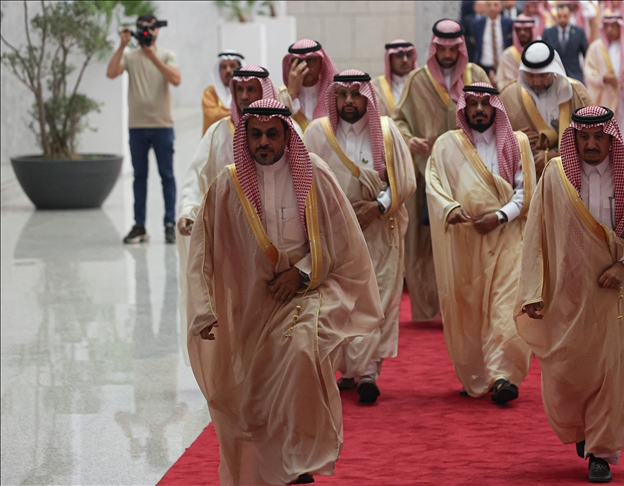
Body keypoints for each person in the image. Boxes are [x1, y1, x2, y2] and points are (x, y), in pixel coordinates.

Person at [186, 99, 383, 485]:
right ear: (245, 137)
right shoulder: (228, 184)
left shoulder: (315, 173)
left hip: (310, 288)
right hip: (253, 300)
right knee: (255, 391)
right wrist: (204, 309)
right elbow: (202, 251)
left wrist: (302, 272)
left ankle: (300, 456)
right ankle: (276, 467)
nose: (263, 142)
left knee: (300, 351)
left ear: (286, 136)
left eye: (272, 134)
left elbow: (342, 238)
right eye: (255, 135)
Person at [515, 105, 624, 484]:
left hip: (622, 292)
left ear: (611, 137)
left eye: (599, 137)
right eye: (583, 137)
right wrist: (533, 290)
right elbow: (536, 234)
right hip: (569, 294)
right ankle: (584, 427)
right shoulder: (556, 176)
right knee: (570, 369)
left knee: (615, 372)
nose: (591, 144)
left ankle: (602, 451)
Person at [304, 70, 416, 403]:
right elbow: (305, 181)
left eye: (356, 94)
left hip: (379, 231)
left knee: (377, 299)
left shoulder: (387, 131)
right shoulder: (317, 133)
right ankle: (348, 370)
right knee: (340, 301)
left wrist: (376, 207)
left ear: (367, 97)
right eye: (343, 95)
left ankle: (367, 371)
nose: (349, 101)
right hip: (335, 236)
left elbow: (405, 181)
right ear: (334, 98)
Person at [426, 83, 535, 403]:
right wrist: (449, 208)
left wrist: (499, 216)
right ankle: (478, 373)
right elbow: (434, 183)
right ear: (464, 108)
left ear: (495, 107)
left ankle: (503, 376)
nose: (478, 110)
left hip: (507, 235)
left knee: (505, 307)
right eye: (472, 104)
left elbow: (525, 192)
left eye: (484, 103)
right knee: (469, 311)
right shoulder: (448, 145)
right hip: (466, 241)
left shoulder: (517, 142)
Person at [177, 65, 283, 364]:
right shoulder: (218, 132)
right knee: (236, 316)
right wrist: (188, 210)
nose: (245, 96)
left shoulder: (285, 133)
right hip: (231, 242)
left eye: (252, 89)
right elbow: (196, 177)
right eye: (240, 90)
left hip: (277, 242)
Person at [393, 19, 490, 322]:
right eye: (442, 49)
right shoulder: (418, 80)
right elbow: (398, 119)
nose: (447, 55)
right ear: (434, 48)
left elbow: (496, 115)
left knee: (469, 238)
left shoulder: (476, 75)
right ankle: (429, 309)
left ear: (461, 48)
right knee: (425, 242)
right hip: (427, 173)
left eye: (453, 49)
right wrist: (409, 140)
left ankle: (468, 307)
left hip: (471, 173)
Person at [106, 13, 181, 244]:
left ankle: (170, 223)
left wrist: (152, 56)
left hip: (162, 125)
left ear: (157, 30)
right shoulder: (130, 56)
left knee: (167, 175)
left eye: (151, 28)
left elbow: (176, 79)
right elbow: (111, 73)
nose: (147, 32)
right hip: (137, 126)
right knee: (139, 177)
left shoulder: (167, 55)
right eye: (143, 28)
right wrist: (122, 45)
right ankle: (139, 226)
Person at [501, 40, 591, 175]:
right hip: (526, 176)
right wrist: (516, 139)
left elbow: (592, 133)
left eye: (543, 75)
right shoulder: (509, 96)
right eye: (531, 76)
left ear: (553, 70)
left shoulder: (577, 93)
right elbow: (495, 139)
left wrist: (556, 153)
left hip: (569, 174)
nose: (536, 82)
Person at [584, 12, 624, 150]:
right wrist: (603, 78)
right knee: (607, 130)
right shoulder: (596, 47)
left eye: (613, 26)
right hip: (606, 98)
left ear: (621, 27)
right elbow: (589, 71)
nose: (610, 30)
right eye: (607, 26)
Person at [279, 39, 338, 133]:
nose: (304, 66)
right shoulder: (279, 96)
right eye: (298, 62)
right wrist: (291, 93)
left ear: (321, 63)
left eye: (310, 60)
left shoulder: (335, 95)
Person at [541, 3, 589, 82]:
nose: (562, 19)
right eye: (560, 16)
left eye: (565, 16)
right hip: (554, 76)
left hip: (575, 76)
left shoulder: (579, 32)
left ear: (569, 16)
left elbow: (586, 55)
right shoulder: (548, 33)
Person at [201, 51, 244, 134]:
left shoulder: (246, 92)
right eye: (224, 67)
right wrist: (240, 113)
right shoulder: (210, 92)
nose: (228, 70)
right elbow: (212, 116)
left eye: (232, 66)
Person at [371, 40, 418, 117]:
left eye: (408, 55)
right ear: (389, 59)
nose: (405, 60)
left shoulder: (420, 85)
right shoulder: (376, 86)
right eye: (399, 55)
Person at [470, 1, 514, 79]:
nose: (492, 8)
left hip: (503, 66)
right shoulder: (477, 24)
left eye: (495, 5)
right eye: (489, 5)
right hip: (483, 66)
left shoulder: (508, 23)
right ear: (485, 7)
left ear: (501, 6)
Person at [495, 16, 536, 87]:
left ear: (532, 31)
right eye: (519, 30)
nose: (522, 33)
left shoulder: (539, 54)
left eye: (526, 30)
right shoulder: (507, 55)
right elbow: (500, 81)